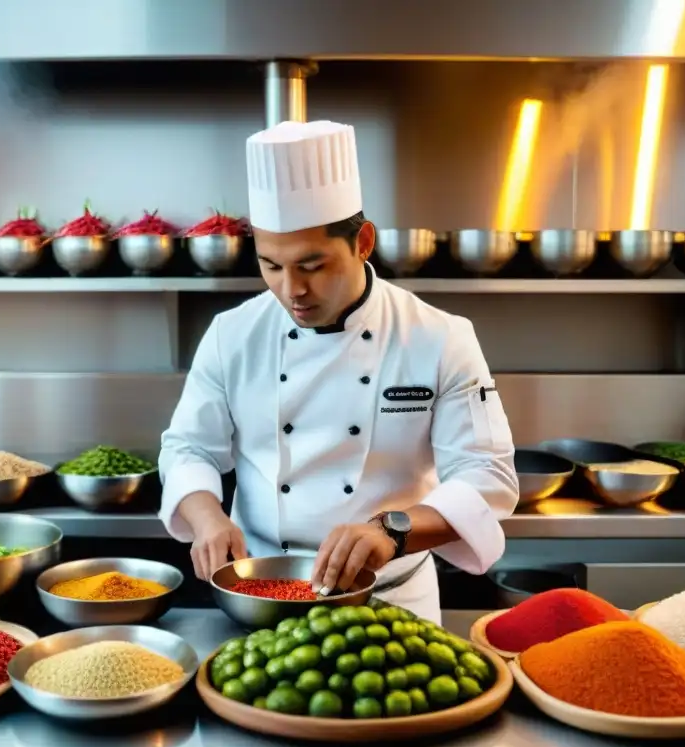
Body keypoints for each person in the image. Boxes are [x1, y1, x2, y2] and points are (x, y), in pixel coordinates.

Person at [158, 119, 518, 623]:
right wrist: (207, 518)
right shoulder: (231, 334)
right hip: (261, 594)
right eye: (271, 265)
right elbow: (189, 447)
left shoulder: (439, 337)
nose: (291, 291)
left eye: (313, 265)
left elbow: (487, 475)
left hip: (390, 600)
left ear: (363, 242)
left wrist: (392, 530)